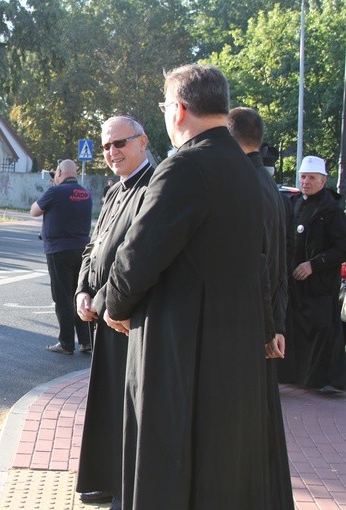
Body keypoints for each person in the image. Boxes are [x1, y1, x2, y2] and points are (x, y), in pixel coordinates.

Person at [103, 64, 269, 509]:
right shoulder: (244, 167)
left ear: (178, 110)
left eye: (163, 106)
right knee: (217, 465)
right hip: (231, 344)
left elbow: (138, 254)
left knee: (169, 464)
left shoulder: (185, 166)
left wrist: (116, 307)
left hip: (179, 344)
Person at [74, 116, 154, 509]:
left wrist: (103, 300)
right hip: (102, 314)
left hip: (129, 318)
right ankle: (105, 479)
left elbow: (135, 257)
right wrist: (82, 291)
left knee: (127, 408)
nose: (111, 152)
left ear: (142, 142)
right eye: (106, 146)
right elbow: (95, 247)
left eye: (119, 143)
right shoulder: (113, 191)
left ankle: (125, 485)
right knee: (106, 403)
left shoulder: (152, 187)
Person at [228, 106, 294, 509]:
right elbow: (279, 264)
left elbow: (261, 264)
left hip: (251, 324)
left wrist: (269, 327)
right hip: (266, 320)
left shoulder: (244, 184)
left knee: (243, 430)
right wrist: (277, 324)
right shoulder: (267, 184)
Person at [285, 155, 346, 393]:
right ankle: (298, 375)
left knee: (322, 329)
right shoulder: (294, 203)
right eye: (302, 177)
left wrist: (313, 265)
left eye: (311, 177)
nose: (306, 181)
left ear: (323, 181)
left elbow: (341, 247)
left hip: (319, 285)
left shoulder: (331, 210)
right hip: (295, 285)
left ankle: (327, 380)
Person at [30, 159, 92, 355]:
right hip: (82, 250)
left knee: (63, 297)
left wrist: (52, 190)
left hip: (59, 251)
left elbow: (34, 211)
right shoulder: (85, 193)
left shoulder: (55, 192)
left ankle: (66, 343)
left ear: (59, 172)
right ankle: (86, 340)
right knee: (79, 294)